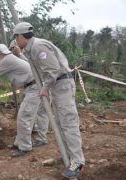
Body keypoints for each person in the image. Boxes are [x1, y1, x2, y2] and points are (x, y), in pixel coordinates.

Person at [13, 22, 85, 178]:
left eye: (15, 38)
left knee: (68, 123)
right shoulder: (32, 48)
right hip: (57, 86)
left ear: (20, 36)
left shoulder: (38, 47)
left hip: (62, 85)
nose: (15, 42)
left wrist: (44, 87)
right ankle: (69, 157)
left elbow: (52, 70)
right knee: (59, 124)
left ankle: (78, 163)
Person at [0, 44, 41, 157]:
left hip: (33, 88)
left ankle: (25, 147)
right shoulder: (9, 59)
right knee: (23, 117)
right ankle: (18, 144)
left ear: (0, 53)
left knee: (24, 118)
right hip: (30, 88)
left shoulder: (7, 60)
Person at [9, 40, 50, 147]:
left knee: (36, 113)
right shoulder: (17, 57)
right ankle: (39, 136)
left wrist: (20, 54)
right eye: (12, 48)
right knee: (35, 113)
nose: (14, 50)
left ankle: (39, 138)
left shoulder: (30, 53)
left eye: (15, 47)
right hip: (34, 86)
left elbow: (32, 66)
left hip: (39, 86)